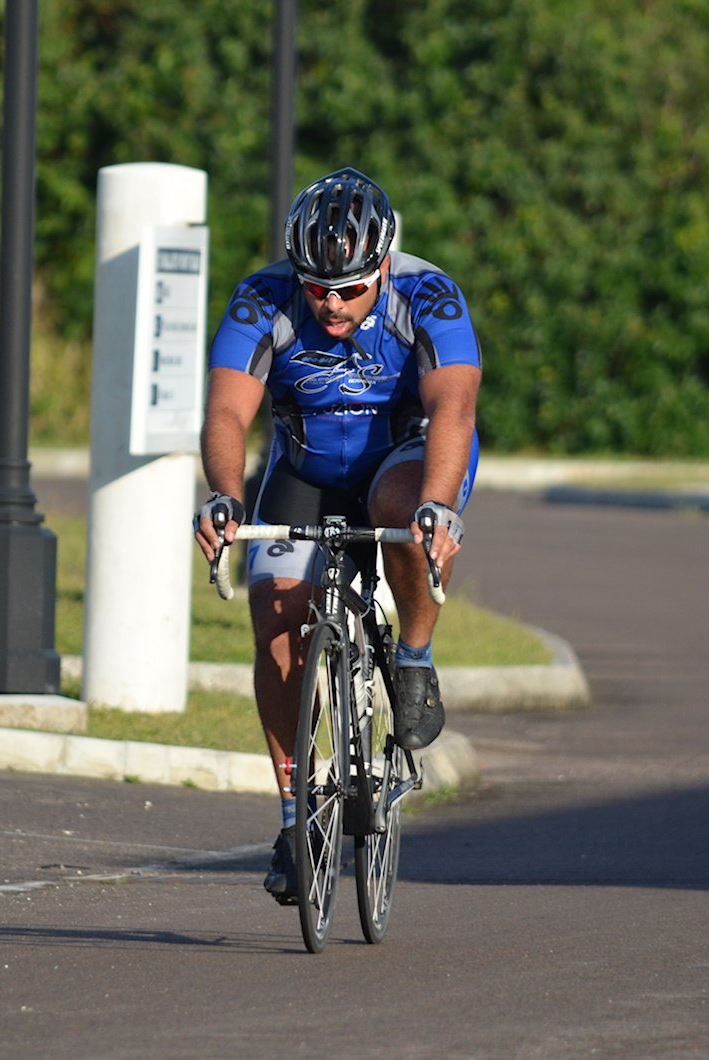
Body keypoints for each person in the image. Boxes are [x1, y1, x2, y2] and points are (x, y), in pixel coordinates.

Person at [192, 167, 482, 904]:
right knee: (277, 617)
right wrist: (224, 495)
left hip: (405, 457)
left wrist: (438, 507)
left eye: (351, 287)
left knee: (402, 511)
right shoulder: (264, 299)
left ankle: (413, 657)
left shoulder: (430, 296)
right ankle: (296, 820)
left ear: (384, 266)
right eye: (317, 285)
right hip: (305, 466)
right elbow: (227, 412)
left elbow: (453, 407)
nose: (331, 302)